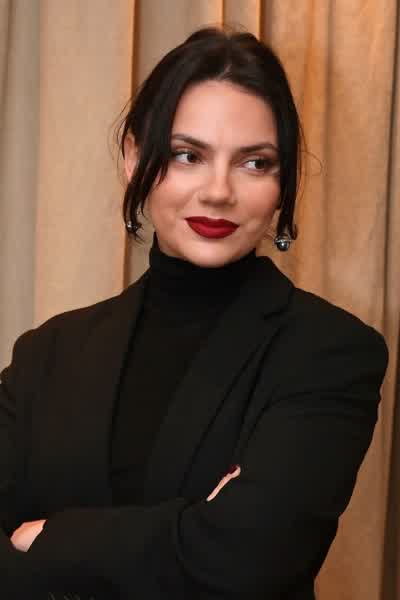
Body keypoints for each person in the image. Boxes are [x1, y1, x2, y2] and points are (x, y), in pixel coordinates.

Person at [0, 24, 388, 600]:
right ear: (134, 157)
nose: (218, 191)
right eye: (188, 155)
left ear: (283, 181)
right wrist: (189, 531)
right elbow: (213, 553)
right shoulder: (47, 353)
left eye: (254, 163)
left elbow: (249, 558)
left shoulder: (331, 351)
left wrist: (53, 537)